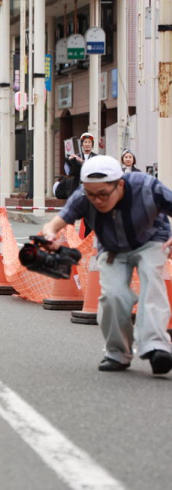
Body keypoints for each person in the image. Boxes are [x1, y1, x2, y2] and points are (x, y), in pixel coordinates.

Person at [39, 155, 172, 376]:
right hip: (111, 247)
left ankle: (156, 347)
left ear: (120, 184)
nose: (97, 200)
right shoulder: (83, 196)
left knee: (152, 282)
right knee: (113, 296)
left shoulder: (147, 187)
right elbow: (55, 223)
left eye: (103, 194)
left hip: (151, 241)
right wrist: (50, 235)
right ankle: (117, 353)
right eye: (91, 195)